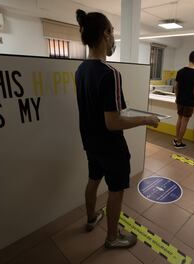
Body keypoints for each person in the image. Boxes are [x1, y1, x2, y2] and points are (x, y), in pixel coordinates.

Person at [75, 9, 159, 249]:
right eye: (112, 30)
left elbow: (101, 110)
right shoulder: (110, 73)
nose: (113, 37)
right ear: (105, 34)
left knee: (93, 179)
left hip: (90, 142)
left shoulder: (81, 70)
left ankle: (91, 218)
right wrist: (147, 120)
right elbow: (112, 122)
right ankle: (113, 237)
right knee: (116, 189)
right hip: (110, 146)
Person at [173, 50, 194, 149]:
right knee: (185, 121)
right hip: (189, 101)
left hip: (180, 100)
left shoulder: (180, 71)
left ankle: (176, 138)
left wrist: (177, 97)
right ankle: (179, 142)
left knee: (179, 119)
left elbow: (176, 86)